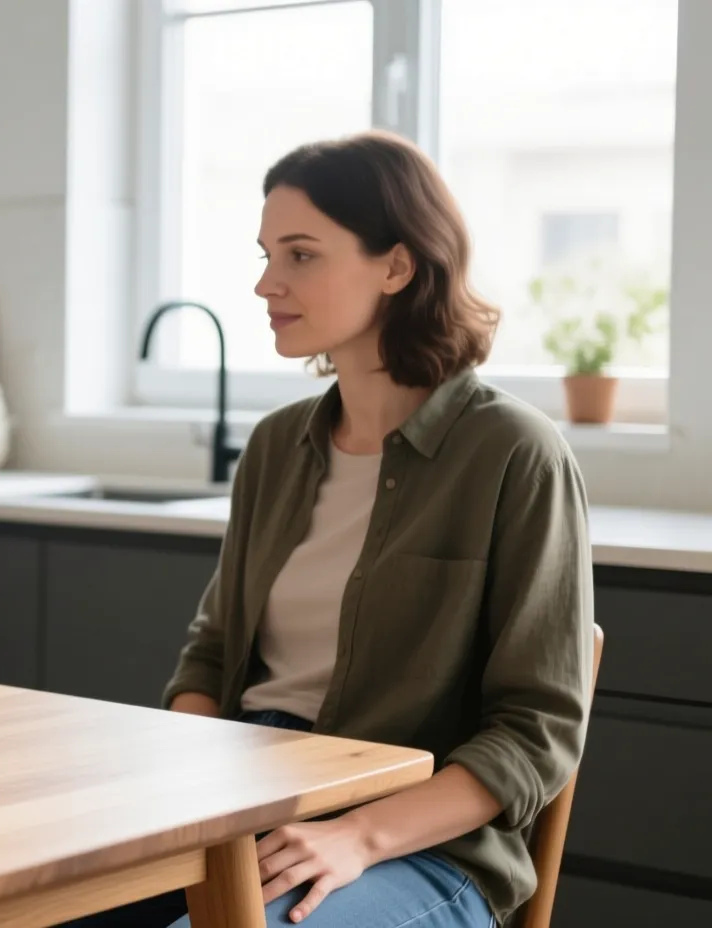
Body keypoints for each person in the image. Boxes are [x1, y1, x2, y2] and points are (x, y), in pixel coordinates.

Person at [74, 130, 595, 928]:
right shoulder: (278, 447)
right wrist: (199, 798)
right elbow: (211, 654)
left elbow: (536, 732)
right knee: (4, 899)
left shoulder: (514, 455)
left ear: (397, 264)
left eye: (300, 255)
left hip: (419, 844)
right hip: (242, 797)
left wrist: (357, 834)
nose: (265, 284)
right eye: (265, 255)